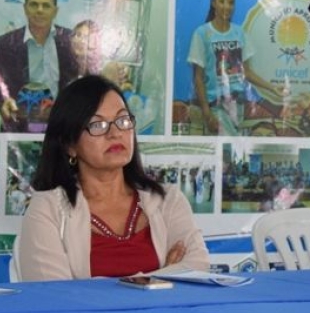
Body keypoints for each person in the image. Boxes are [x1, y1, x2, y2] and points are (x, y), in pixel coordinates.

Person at [16, 75, 209, 280]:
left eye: (123, 120)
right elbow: (55, 297)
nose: (116, 133)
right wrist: (161, 277)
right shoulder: (47, 209)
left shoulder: (167, 200)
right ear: (69, 145)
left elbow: (197, 267)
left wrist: (99, 286)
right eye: (97, 125)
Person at [0, 0, 79, 132]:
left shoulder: (71, 41)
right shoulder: (4, 44)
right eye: (34, 4)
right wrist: (3, 100)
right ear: (25, 8)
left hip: (61, 127)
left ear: (55, 11)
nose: (40, 10)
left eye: (46, 6)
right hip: (19, 128)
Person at [186, 0, 270, 135]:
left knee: (233, 153)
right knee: (226, 152)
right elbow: (198, 77)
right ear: (213, 2)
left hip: (237, 107)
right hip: (216, 107)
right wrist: (206, 112)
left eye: (231, 2)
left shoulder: (240, 34)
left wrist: (272, 87)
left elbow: (247, 72)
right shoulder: (202, 33)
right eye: (222, 1)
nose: (227, 6)